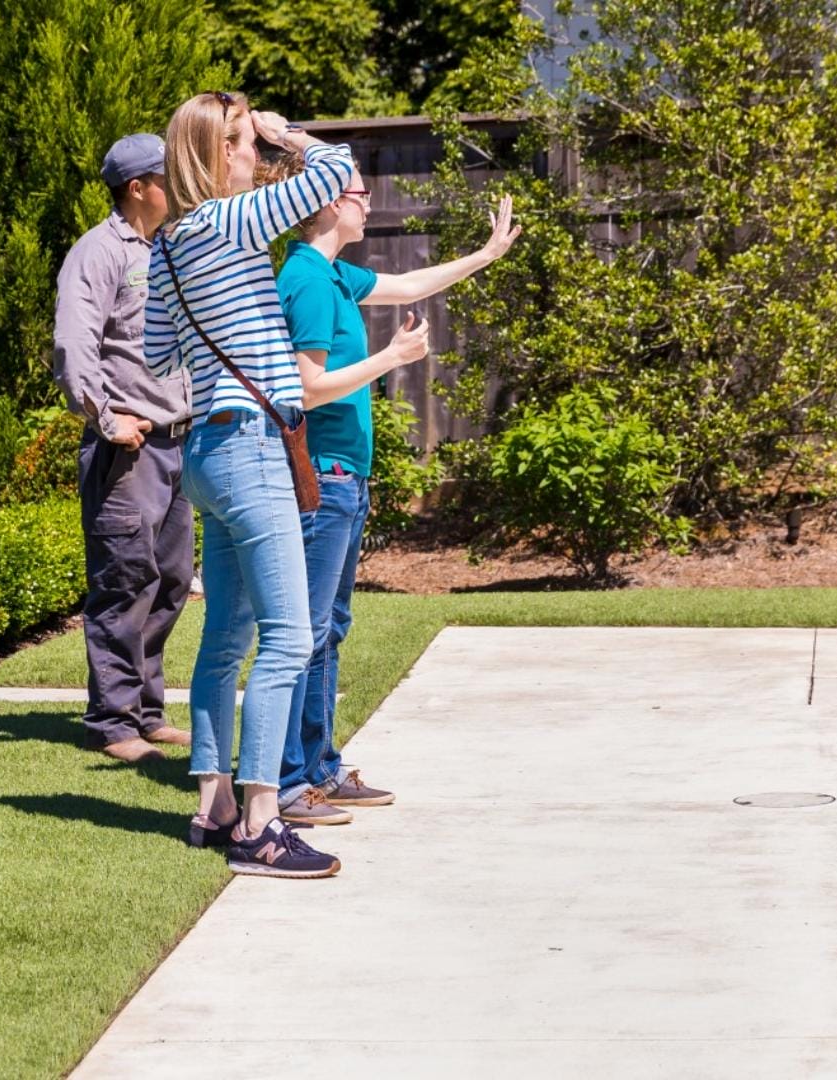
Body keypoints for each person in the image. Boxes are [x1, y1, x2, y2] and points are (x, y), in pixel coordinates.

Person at [265, 158, 521, 826]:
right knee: (308, 632)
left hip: (345, 481)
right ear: (327, 203)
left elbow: (408, 280)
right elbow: (307, 388)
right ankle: (291, 784)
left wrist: (486, 254)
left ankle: (319, 767)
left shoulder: (332, 276)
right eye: (359, 193)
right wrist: (391, 360)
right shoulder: (309, 282)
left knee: (330, 628)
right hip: (323, 480)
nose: (368, 201)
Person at [143, 91, 356, 878]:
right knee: (291, 637)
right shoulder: (227, 222)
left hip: (207, 448)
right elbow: (334, 172)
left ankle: (213, 801)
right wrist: (286, 132)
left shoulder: (167, 246)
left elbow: (156, 353)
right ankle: (262, 823)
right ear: (212, 154)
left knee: (226, 638)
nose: (254, 156)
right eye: (241, 143)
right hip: (252, 448)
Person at [51, 133, 195, 764]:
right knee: (123, 581)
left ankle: (146, 710)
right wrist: (105, 419)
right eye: (168, 178)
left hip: (180, 444)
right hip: (128, 451)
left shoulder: (170, 247)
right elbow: (75, 343)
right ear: (138, 187)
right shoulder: (98, 252)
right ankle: (113, 723)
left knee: (169, 580)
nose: (179, 186)